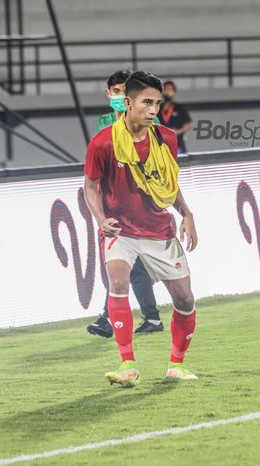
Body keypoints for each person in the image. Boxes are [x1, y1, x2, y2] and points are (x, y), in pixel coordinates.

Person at [84, 70, 199, 386]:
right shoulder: (103, 142)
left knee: (185, 300)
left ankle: (176, 364)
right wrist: (100, 219)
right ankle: (127, 365)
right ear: (128, 102)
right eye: (147, 102)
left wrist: (186, 213)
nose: (153, 109)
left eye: (157, 103)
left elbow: (168, 183)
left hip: (159, 230)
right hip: (119, 229)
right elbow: (90, 186)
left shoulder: (167, 138)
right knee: (117, 281)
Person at [87, 70, 164, 338]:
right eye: (116, 92)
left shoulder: (148, 124)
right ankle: (149, 317)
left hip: (138, 203)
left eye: (125, 91)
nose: (121, 97)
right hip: (113, 204)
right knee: (128, 264)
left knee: (122, 263)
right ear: (108, 95)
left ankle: (111, 319)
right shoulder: (105, 124)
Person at [157, 80, 194, 154]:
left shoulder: (179, 108)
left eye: (170, 89)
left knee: (180, 164)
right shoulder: (157, 108)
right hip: (160, 146)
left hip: (178, 145)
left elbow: (190, 125)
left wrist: (177, 131)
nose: (168, 92)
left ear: (174, 92)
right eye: (166, 89)